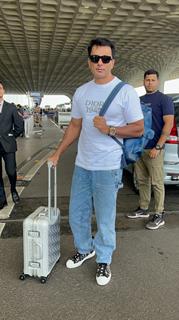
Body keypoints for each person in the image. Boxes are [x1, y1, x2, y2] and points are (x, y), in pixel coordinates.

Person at [48, 38, 144, 286]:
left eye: (105, 58)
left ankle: (103, 259)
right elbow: (75, 125)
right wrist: (58, 152)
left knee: (104, 217)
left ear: (113, 61)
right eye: (95, 58)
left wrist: (110, 129)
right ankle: (85, 248)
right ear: (89, 61)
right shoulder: (81, 91)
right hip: (83, 164)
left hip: (108, 166)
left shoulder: (125, 92)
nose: (100, 63)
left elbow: (138, 128)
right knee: (77, 214)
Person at [127, 69, 174, 230]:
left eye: (153, 80)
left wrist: (159, 146)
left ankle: (159, 214)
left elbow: (168, 124)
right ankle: (143, 208)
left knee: (157, 182)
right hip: (140, 148)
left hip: (155, 148)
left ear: (158, 82)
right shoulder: (139, 100)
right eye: (147, 80)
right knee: (142, 181)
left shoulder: (164, 100)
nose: (149, 82)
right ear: (144, 81)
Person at [0, 81, 24, 210]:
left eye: (0, 88)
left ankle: (13, 190)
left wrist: (11, 136)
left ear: (3, 91)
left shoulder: (11, 108)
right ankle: (1, 199)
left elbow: (20, 126)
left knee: (10, 171)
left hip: (8, 145)